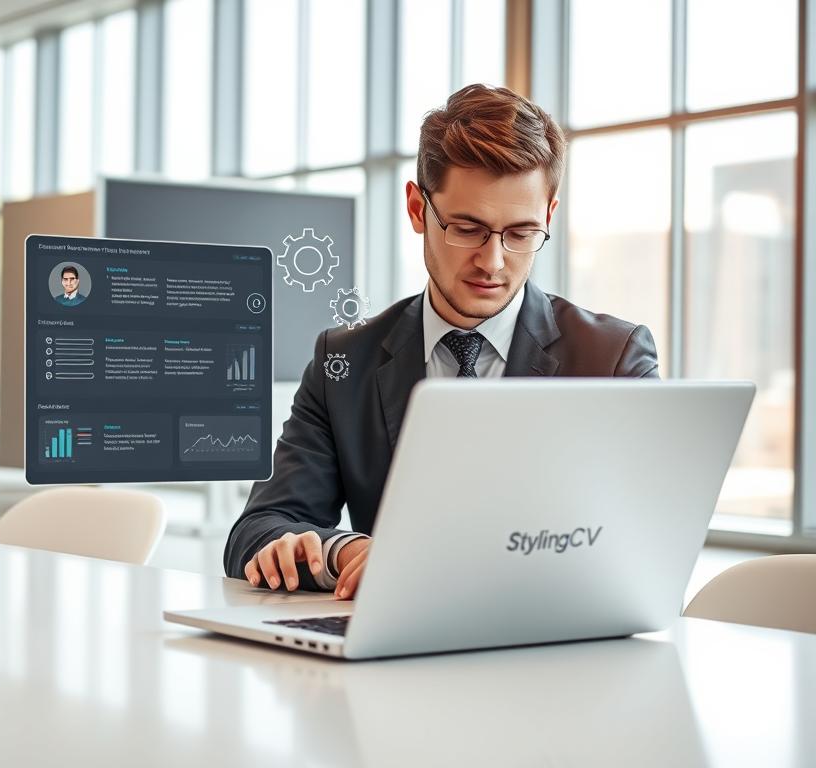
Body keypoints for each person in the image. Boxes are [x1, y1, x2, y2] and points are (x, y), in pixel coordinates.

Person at [224, 84, 659, 599]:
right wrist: (346, 550)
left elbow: (647, 553)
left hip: (557, 649)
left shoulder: (611, 359)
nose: (493, 262)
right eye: (467, 228)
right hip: (392, 656)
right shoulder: (344, 361)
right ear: (416, 207)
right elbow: (259, 529)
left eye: (521, 233)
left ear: (548, 215)